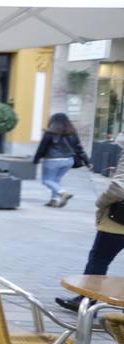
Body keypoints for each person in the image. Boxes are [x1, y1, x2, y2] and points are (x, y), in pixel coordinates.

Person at [57, 132, 124, 313]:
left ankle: (86, 300)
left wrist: (100, 202)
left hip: (119, 222)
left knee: (99, 259)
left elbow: (119, 188)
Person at [33, 113, 89, 207]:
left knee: (47, 180)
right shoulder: (72, 132)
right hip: (68, 161)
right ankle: (54, 200)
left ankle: (63, 193)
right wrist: (87, 161)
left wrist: (36, 159)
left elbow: (42, 147)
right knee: (56, 180)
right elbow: (79, 147)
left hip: (52, 160)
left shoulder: (49, 132)